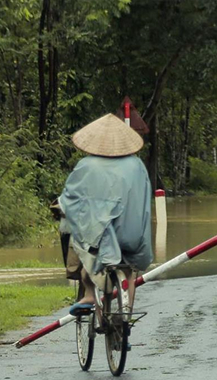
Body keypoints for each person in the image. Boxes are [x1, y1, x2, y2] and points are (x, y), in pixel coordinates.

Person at [59, 113, 153, 318]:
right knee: (129, 270)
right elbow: (144, 202)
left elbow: (71, 200)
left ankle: (91, 296)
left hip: (101, 239)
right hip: (132, 235)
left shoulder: (86, 166)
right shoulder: (137, 166)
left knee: (81, 240)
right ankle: (126, 317)